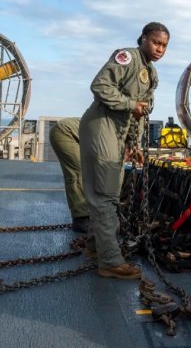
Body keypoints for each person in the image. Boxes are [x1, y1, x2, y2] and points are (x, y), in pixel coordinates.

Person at [79, 22, 170, 279]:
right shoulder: (127, 57)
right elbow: (99, 86)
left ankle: (95, 247)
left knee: (110, 191)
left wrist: (134, 144)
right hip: (101, 125)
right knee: (105, 195)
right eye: (156, 42)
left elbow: (139, 114)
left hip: (118, 133)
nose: (160, 49)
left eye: (164, 45)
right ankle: (109, 261)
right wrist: (130, 104)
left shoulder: (151, 74)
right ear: (143, 39)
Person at [49, 117, 89, 233]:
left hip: (74, 134)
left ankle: (87, 213)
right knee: (78, 173)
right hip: (64, 132)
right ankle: (81, 219)